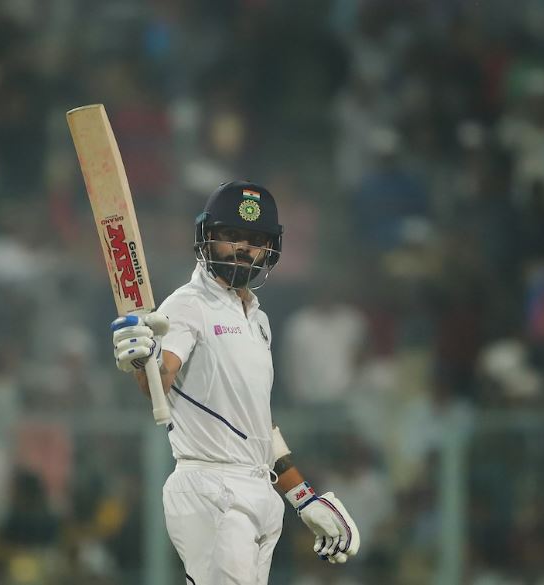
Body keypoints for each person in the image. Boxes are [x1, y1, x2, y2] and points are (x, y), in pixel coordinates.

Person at [110, 181, 360, 583]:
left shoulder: (258, 320)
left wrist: (302, 497)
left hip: (259, 491)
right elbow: (159, 378)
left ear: (270, 248)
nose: (243, 248)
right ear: (207, 238)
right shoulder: (187, 304)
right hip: (211, 486)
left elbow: (257, 426)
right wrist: (146, 359)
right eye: (231, 235)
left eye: (255, 240)